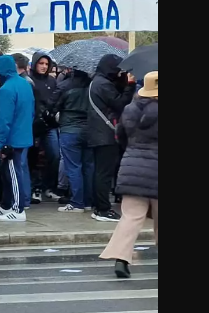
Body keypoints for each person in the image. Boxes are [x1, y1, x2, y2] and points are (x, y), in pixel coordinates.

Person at [101, 71, 157, 277]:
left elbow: (121, 136)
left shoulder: (130, 109)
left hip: (132, 167)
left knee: (131, 217)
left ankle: (121, 259)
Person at [54, 63, 109, 217]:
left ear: (73, 69)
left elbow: (54, 106)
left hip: (70, 130)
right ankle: (87, 202)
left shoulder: (65, 85)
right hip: (90, 130)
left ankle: (76, 202)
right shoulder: (93, 86)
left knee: (73, 167)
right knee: (89, 167)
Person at [85, 54, 132, 222]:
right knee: (104, 174)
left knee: (99, 172)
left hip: (98, 133)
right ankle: (103, 209)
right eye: (117, 69)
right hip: (106, 134)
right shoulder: (103, 84)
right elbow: (120, 104)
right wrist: (130, 87)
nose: (119, 72)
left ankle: (99, 206)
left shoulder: (96, 82)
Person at [0, 54, 35, 221]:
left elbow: (4, 120)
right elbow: (31, 112)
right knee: (10, 173)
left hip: (11, 138)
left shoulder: (6, 89)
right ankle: (7, 205)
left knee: (13, 174)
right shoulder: (25, 84)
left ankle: (17, 209)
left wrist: (1, 143)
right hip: (23, 134)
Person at [29, 54, 65, 204]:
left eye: (46, 63)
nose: (44, 66)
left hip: (50, 124)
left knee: (54, 155)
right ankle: (34, 188)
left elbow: (56, 99)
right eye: (41, 63)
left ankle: (48, 187)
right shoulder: (30, 79)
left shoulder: (52, 81)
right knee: (34, 157)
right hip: (34, 125)